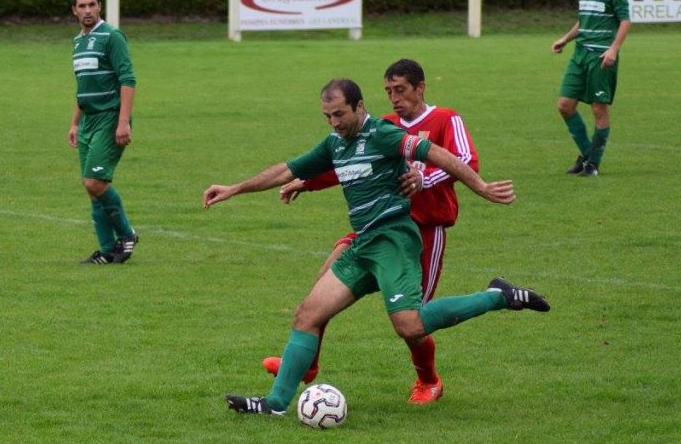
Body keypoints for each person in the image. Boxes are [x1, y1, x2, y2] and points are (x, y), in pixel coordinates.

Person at [203, 79, 549, 417]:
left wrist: (481, 187)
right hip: (364, 243)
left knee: (410, 326)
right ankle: (275, 404)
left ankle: (498, 296)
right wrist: (234, 188)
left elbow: (437, 153)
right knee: (308, 314)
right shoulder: (334, 144)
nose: (334, 123)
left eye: (340, 114)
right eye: (328, 117)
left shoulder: (382, 134)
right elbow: (285, 170)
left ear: (359, 106)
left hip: (394, 239)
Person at [265, 59, 479, 404]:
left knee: (413, 322)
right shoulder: (384, 125)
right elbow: (348, 166)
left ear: (420, 88)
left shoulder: (444, 119)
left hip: (421, 228)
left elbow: (467, 162)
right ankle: (305, 364)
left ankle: (429, 380)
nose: (394, 98)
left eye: (401, 90)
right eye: (388, 91)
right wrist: (304, 182)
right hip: (372, 229)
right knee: (321, 290)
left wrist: (424, 179)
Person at [68, 0, 139, 264]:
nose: (87, 10)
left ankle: (127, 234)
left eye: (92, 5)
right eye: (82, 6)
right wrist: (74, 123)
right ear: (74, 11)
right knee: (90, 187)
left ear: (100, 6)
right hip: (87, 121)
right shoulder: (78, 42)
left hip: (109, 118)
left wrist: (123, 122)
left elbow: (128, 79)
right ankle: (108, 250)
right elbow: (82, 86)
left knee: (95, 182)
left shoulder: (112, 37)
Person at [552, 0, 631, 177]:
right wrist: (565, 39)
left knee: (599, 109)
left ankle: (593, 165)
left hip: (601, 57)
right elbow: (584, 20)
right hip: (580, 54)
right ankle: (588, 155)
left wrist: (613, 49)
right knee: (564, 105)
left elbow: (625, 20)